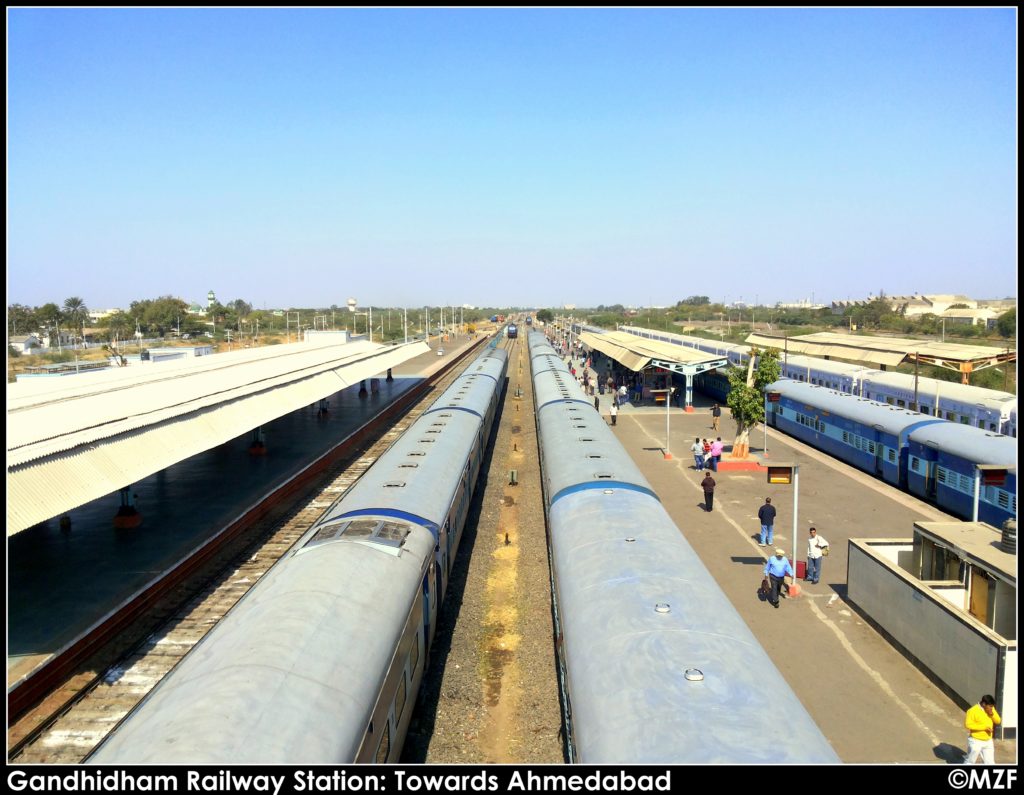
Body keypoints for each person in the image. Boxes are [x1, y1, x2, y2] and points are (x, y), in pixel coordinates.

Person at [963, 695, 1001, 764]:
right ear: (983, 704)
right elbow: (968, 725)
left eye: (992, 706)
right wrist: (984, 728)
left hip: (988, 740)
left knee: (990, 763)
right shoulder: (972, 711)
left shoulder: (991, 709)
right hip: (975, 741)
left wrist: (992, 714)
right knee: (970, 761)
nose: (991, 708)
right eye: (990, 706)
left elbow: (998, 721)